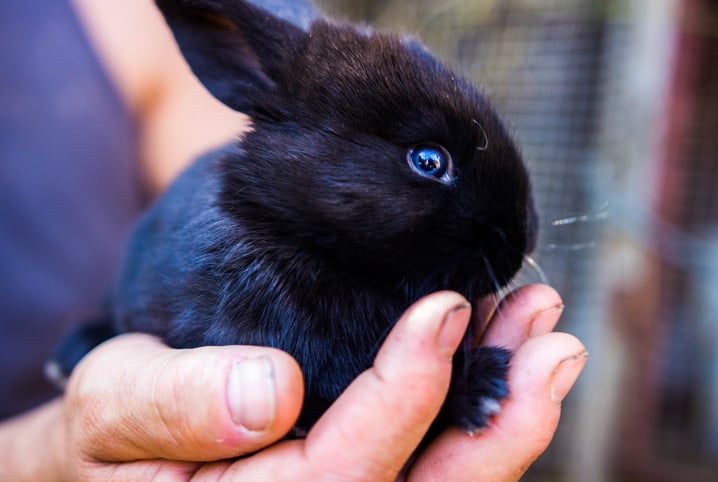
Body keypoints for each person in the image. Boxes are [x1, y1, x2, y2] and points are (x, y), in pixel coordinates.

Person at [0, 1, 587, 480]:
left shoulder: (115, 25)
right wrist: (45, 456)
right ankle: (97, 331)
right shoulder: (246, 264)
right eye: (429, 161)